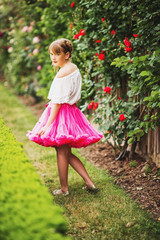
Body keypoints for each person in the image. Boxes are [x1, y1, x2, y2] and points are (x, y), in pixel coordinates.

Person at [26, 38, 103, 196]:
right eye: (51, 54)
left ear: (67, 54)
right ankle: (89, 183)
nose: (53, 58)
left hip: (62, 115)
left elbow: (57, 103)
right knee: (66, 152)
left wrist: (47, 125)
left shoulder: (62, 73)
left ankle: (64, 189)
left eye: (57, 54)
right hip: (72, 112)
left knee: (61, 152)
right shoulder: (73, 68)